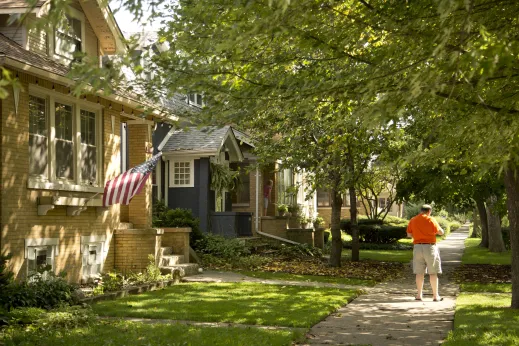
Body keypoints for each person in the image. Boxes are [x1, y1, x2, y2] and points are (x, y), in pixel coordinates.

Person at [407, 204, 445, 302]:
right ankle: (435, 296)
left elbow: (409, 234)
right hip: (430, 247)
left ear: (421, 210)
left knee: (419, 272)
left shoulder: (413, 220)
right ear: (429, 211)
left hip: (417, 247)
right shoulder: (431, 219)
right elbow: (440, 232)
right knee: (433, 272)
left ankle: (419, 295)